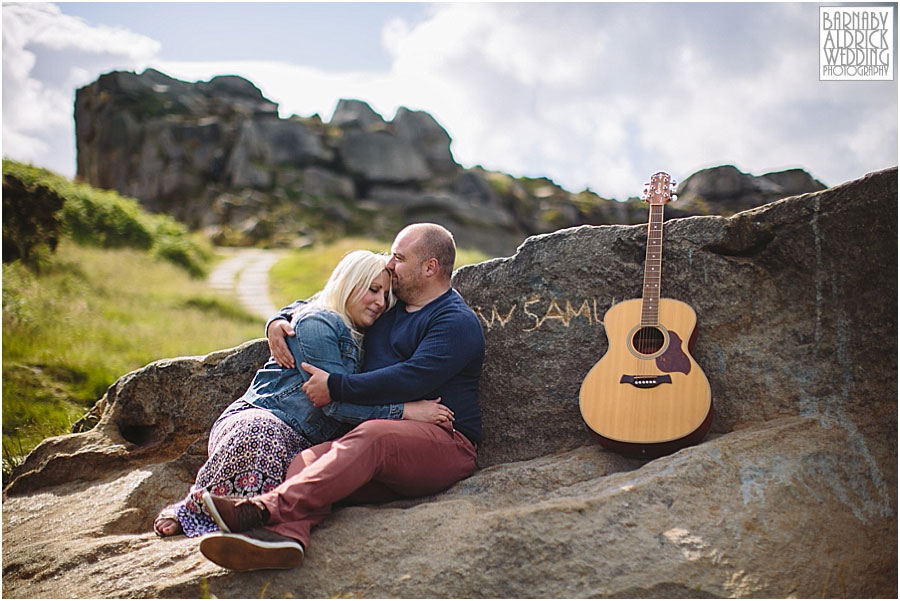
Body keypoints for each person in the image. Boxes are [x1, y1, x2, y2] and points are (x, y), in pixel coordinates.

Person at [197, 223, 485, 571]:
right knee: (304, 462)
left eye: (399, 258)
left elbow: (411, 378)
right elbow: (330, 299)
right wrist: (279, 319)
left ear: (430, 268)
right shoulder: (389, 308)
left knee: (375, 437)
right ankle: (284, 539)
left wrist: (335, 386)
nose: (390, 265)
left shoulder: (455, 321)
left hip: (445, 442)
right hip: (377, 449)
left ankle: (263, 509)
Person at [153, 250, 453, 538]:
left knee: (314, 466)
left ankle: (249, 516)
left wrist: (278, 316)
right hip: (270, 416)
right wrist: (405, 411)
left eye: (385, 295)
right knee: (262, 435)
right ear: (349, 284)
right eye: (372, 290)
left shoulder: (371, 329)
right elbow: (333, 403)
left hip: (312, 438)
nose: (379, 302)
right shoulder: (320, 322)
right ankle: (202, 511)